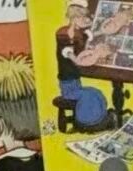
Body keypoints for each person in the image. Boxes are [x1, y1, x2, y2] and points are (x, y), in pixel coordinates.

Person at [55, 0, 114, 132]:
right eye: (82, 17)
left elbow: (88, 37)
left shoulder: (79, 33)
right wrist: (95, 55)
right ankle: (86, 123)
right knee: (88, 96)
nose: (86, 20)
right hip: (67, 83)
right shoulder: (64, 34)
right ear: (74, 18)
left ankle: (101, 119)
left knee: (96, 93)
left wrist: (103, 31)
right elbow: (73, 57)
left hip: (75, 80)